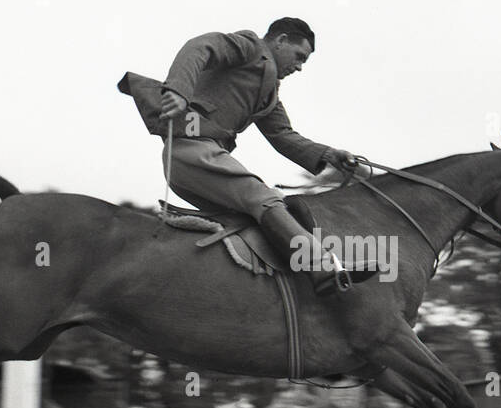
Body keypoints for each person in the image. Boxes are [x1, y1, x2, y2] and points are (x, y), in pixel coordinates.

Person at [118, 19, 368, 294]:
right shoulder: (250, 47)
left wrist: (330, 154)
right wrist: (178, 91)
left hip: (198, 160)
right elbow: (201, 46)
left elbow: (283, 134)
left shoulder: (269, 94)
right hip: (192, 148)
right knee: (263, 198)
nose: (298, 67)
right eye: (299, 57)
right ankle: (321, 266)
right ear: (280, 40)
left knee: (252, 224)